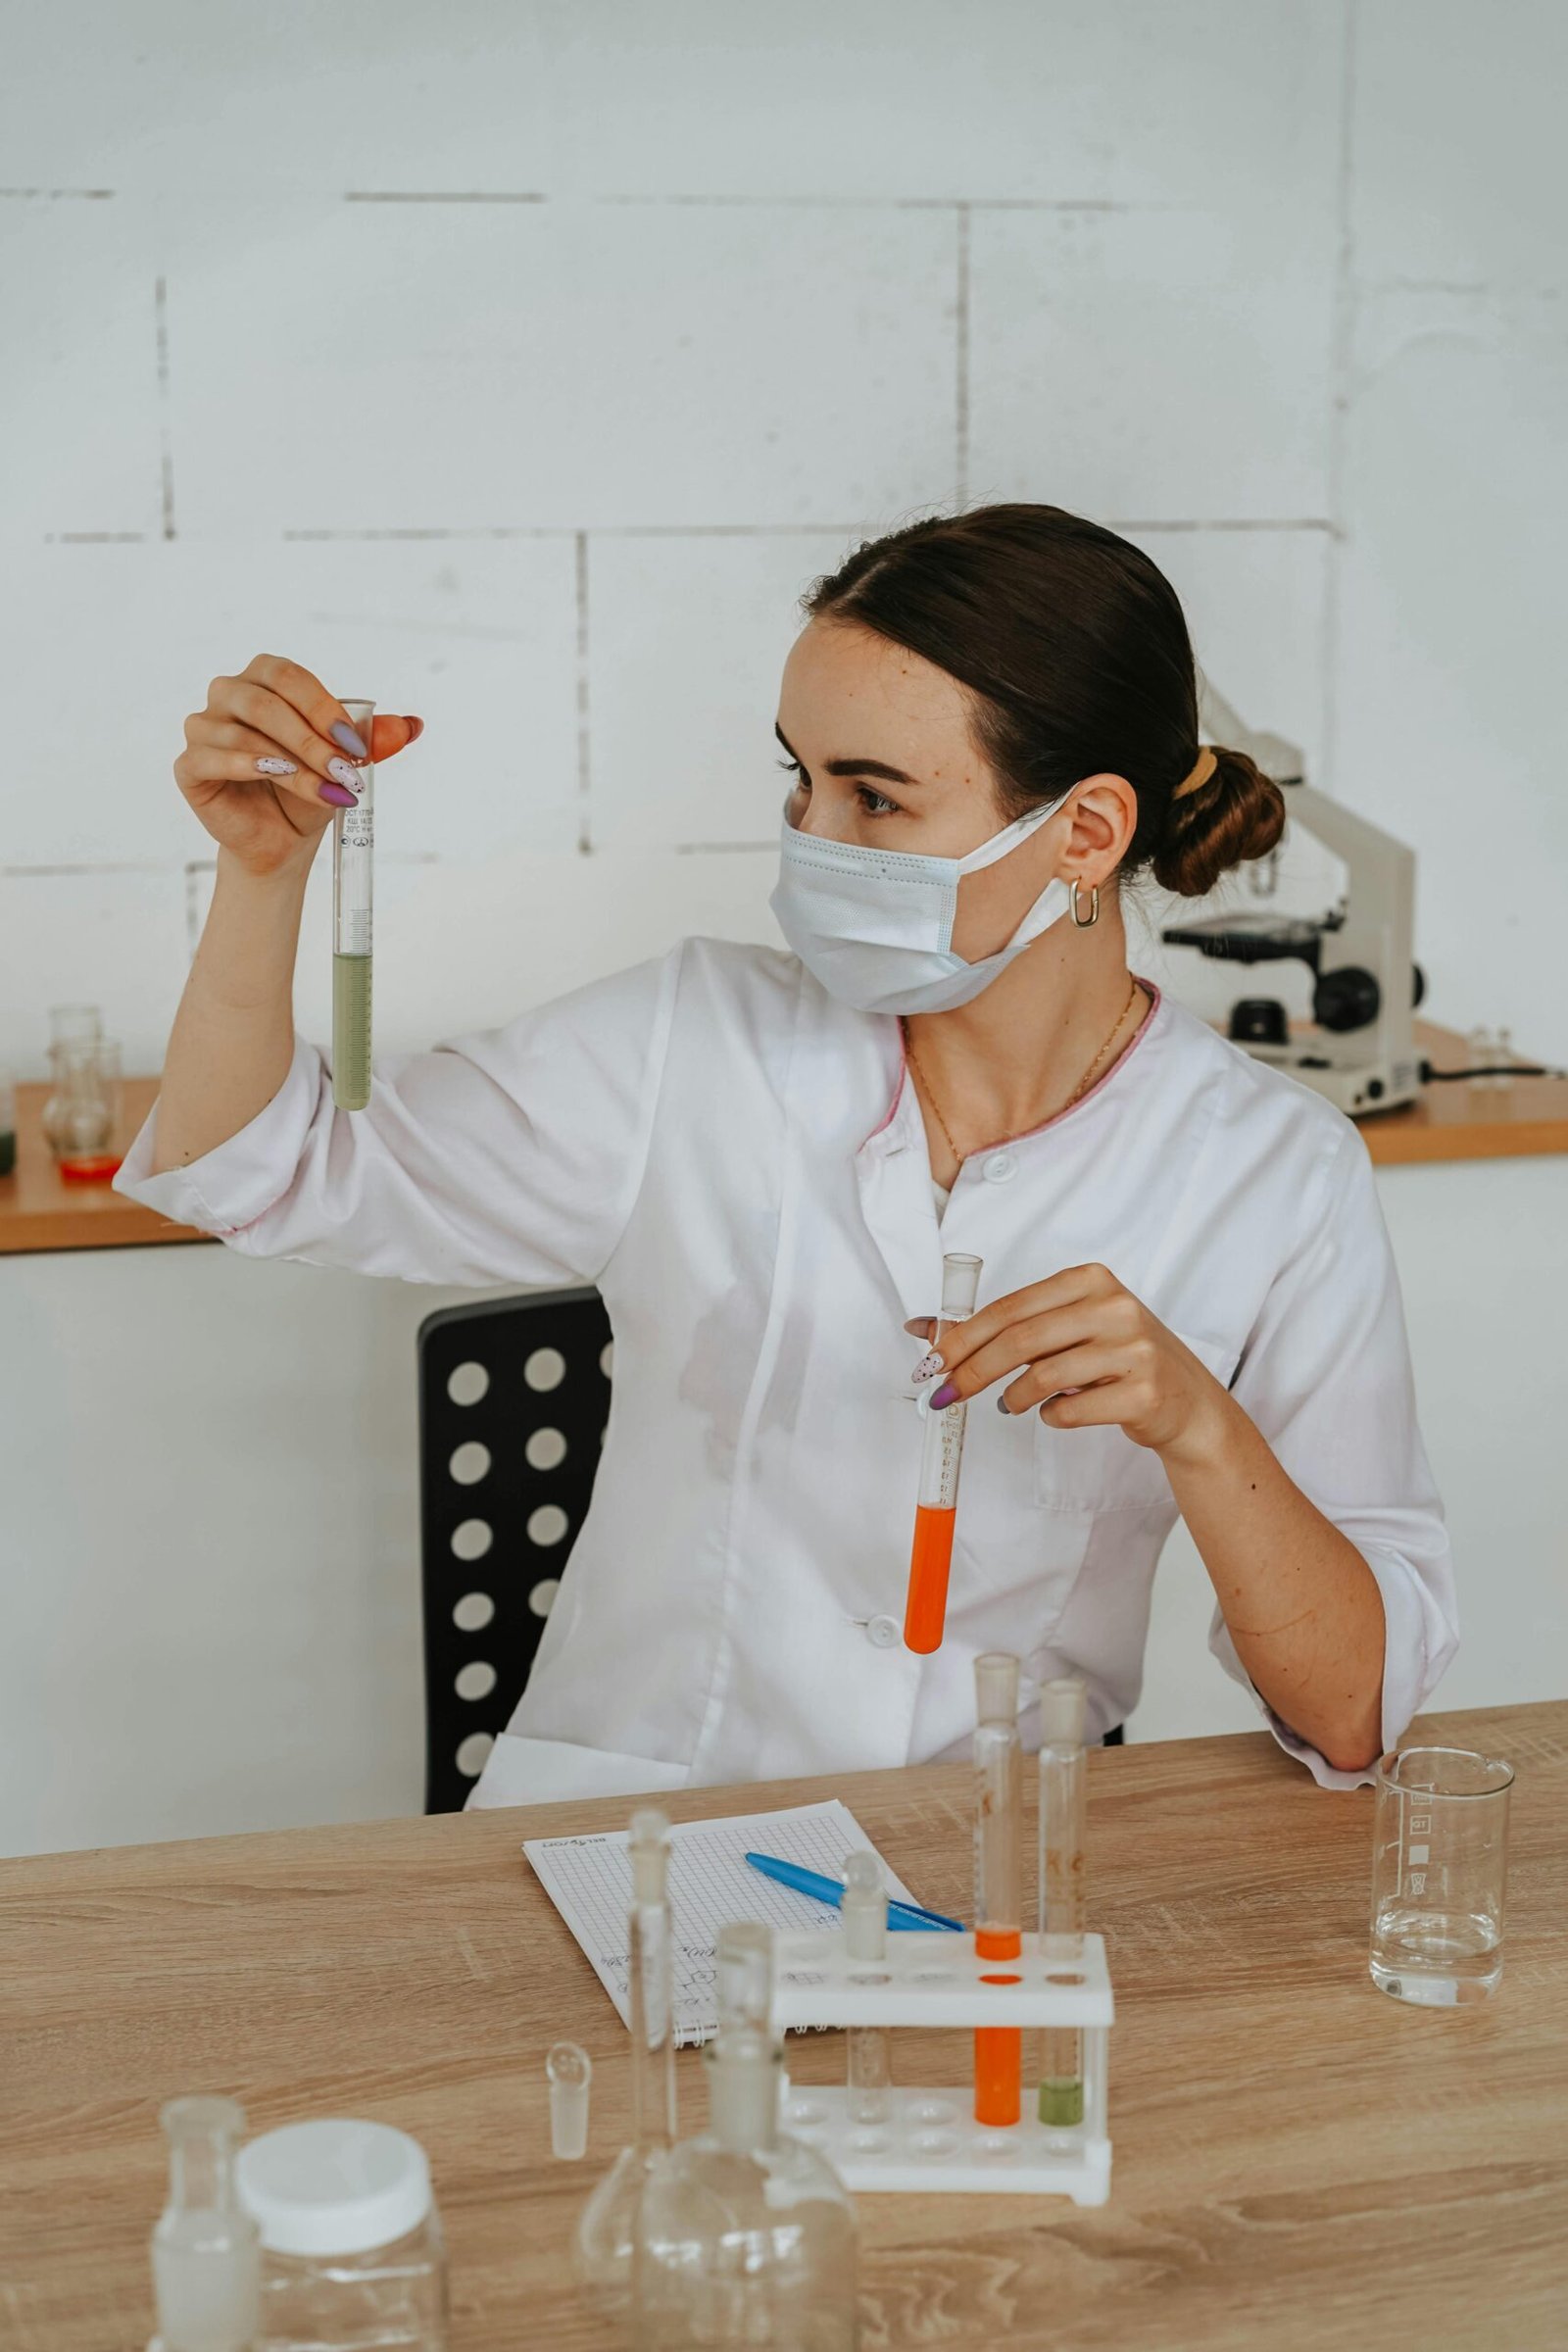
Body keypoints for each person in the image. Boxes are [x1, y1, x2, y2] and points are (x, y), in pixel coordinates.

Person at [116, 504, 1456, 1805]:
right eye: (799, 778)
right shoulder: (691, 1041)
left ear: (1086, 834)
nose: (813, 838)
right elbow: (261, 1163)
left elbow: (1351, 1715)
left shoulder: (1275, 1175)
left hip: (989, 1863)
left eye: (875, 798)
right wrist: (261, 879)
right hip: (625, 1835)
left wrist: (1197, 1426)